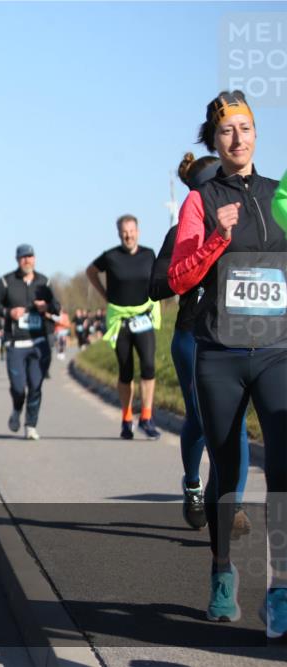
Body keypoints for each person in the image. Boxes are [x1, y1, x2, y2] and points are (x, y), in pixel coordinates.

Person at [168, 91, 286, 633]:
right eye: (226, 130)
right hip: (220, 353)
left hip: (277, 350)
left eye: (245, 128)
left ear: (256, 133)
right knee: (228, 468)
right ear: (213, 141)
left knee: (282, 469)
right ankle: (221, 572)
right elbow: (179, 278)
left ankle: (280, 588)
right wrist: (217, 237)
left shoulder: (279, 194)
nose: (237, 138)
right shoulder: (201, 199)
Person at [149, 152, 250, 534]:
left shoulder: (247, 226)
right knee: (201, 418)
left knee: (236, 422)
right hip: (192, 336)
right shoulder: (181, 232)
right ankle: (193, 484)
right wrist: (198, 264)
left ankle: (232, 506)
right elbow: (157, 286)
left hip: (238, 335)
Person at [86, 215, 162, 440]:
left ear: (138, 231)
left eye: (131, 231)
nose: (128, 236)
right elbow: (91, 271)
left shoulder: (149, 254)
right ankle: (127, 418)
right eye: (124, 232)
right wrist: (105, 295)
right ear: (119, 233)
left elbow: (158, 278)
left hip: (144, 318)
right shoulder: (111, 256)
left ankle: (146, 417)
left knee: (148, 366)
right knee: (125, 370)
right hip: (120, 321)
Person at [0, 244, 59, 441]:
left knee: (35, 386)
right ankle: (17, 408)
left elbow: (57, 307)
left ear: (34, 259)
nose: (27, 260)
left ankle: (30, 425)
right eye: (23, 257)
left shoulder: (44, 282)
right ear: (17, 260)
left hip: (39, 342)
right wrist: (8, 312)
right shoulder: (6, 281)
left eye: (30, 257)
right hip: (15, 344)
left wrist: (46, 306)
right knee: (19, 388)